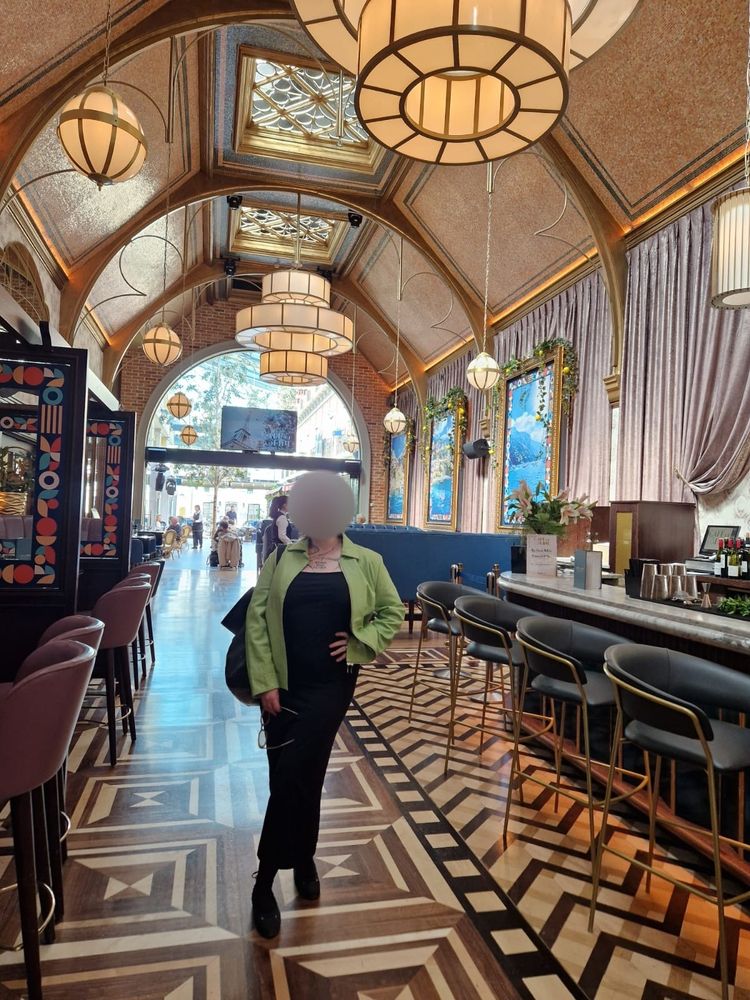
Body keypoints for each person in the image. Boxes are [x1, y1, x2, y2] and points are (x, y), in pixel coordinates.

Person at [246, 472, 404, 939]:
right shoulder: (281, 558)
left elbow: (391, 612)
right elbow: (257, 619)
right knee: (294, 776)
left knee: (296, 772)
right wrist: (265, 682)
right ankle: (305, 858)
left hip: (329, 688)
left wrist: (361, 644)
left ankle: (265, 879)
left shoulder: (367, 561)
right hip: (281, 686)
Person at [261, 495, 293, 564]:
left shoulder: (278, 516)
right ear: (285, 505)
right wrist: (291, 545)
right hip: (280, 549)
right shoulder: (282, 518)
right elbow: (282, 536)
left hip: (275, 548)